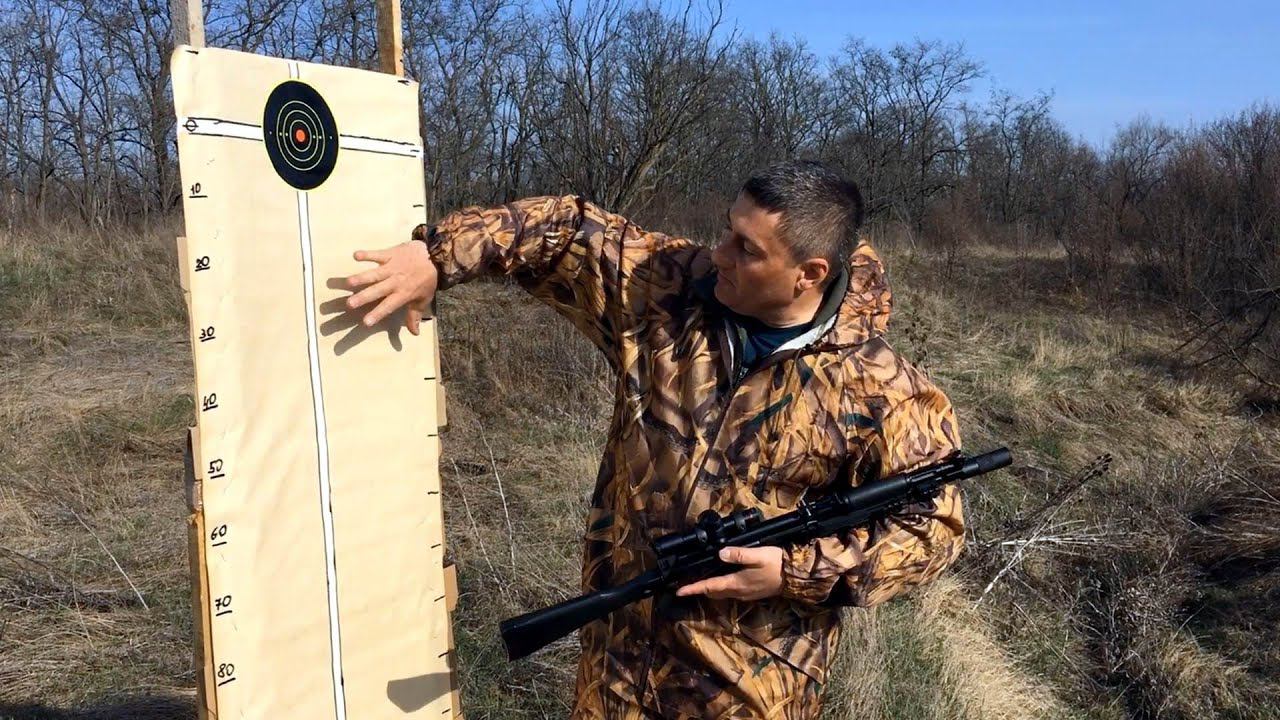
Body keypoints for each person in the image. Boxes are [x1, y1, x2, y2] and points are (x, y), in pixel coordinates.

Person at [343, 160, 965, 719]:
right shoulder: (669, 289)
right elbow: (567, 230)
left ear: (809, 274)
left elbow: (934, 528)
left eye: (746, 248)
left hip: (746, 695)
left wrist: (793, 571)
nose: (720, 253)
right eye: (728, 230)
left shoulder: (882, 389)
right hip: (614, 674)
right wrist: (436, 256)